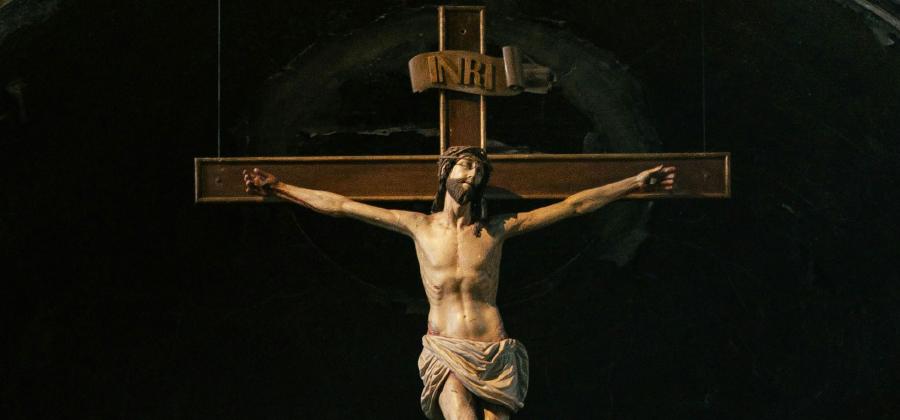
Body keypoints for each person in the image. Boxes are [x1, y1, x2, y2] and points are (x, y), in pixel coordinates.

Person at [243, 146, 676, 420]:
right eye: (465, 166)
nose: (472, 175)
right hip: (447, 348)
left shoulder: (497, 229)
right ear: (446, 171)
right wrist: (280, 187)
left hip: (495, 351)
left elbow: (575, 206)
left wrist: (634, 183)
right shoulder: (417, 225)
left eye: (479, 172)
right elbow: (340, 206)